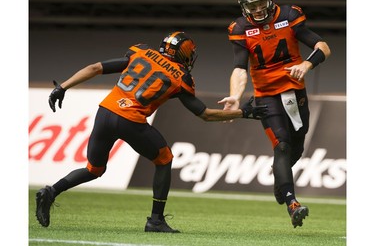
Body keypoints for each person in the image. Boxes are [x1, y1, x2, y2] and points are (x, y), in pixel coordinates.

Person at [36, 31, 268, 233]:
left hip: (105, 112)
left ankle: (51, 191)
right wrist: (244, 113)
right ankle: (155, 220)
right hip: (130, 119)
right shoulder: (181, 77)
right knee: (164, 159)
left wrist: (62, 86)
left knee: (94, 169)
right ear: (183, 55)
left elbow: (95, 68)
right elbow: (205, 114)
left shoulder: (140, 52)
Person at [219, 0, 331, 228]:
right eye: (252, 5)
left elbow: (323, 46)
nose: (257, 10)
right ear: (243, 6)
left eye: (261, 3)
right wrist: (236, 96)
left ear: (271, 0)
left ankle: (280, 179)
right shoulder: (239, 28)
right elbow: (239, 68)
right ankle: (293, 204)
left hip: (293, 91)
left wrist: (306, 64)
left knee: (297, 146)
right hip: (266, 95)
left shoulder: (290, 16)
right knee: (281, 146)